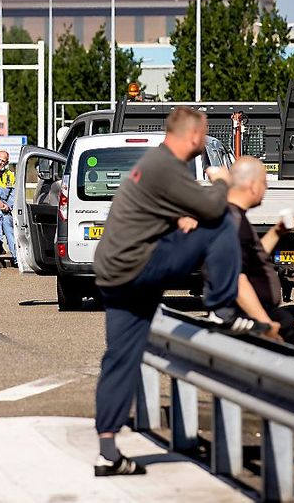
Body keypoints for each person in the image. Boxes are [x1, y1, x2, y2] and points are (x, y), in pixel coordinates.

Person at [91, 106, 265, 477]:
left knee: (120, 359)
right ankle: (221, 308)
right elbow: (212, 205)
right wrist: (221, 180)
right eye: (203, 135)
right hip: (137, 266)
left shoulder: (154, 164)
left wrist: (177, 217)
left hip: (112, 273)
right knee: (221, 222)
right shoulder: (166, 165)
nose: (204, 142)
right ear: (193, 136)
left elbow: (151, 208)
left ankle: (107, 451)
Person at [227, 156, 294, 354]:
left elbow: (252, 259)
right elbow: (235, 277)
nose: (266, 189)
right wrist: (265, 323)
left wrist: (276, 232)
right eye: (264, 183)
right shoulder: (232, 222)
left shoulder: (235, 217)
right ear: (252, 185)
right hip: (256, 319)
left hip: (261, 316)